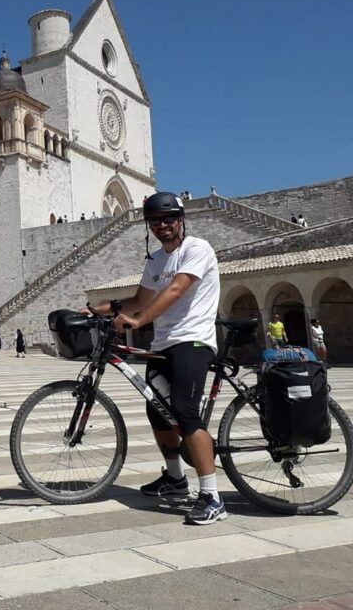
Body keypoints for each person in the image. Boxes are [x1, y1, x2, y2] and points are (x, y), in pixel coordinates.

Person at [85, 191, 225, 525]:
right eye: (155, 221)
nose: (162, 225)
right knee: (158, 413)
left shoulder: (197, 249)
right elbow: (137, 299)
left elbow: (177, 289)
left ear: (181, 220)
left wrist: (140, 321)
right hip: (163, 345)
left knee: (186, 412)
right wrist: (92, 311)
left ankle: (212, 496)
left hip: (192, 341)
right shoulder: (155, 261)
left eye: (168, 219)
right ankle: (176, 479)